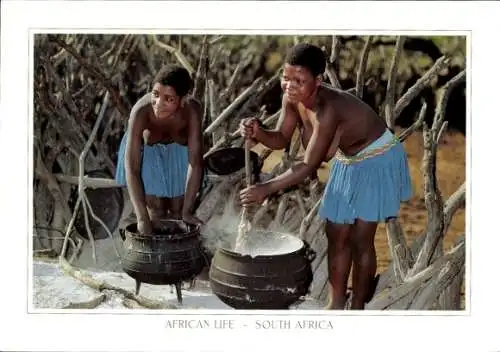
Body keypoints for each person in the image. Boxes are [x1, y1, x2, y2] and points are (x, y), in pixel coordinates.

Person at [239, 43, 413, 310]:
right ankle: (336, 303)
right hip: (349, 158)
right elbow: (281, 138)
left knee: (360, 238)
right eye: (285, 77)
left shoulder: (327, 109)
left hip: (378, 157)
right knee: (336, 232)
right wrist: (258, 132)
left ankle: (356, 308)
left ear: (318, 81)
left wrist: (266, 188)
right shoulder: (291, 99)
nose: (289, 85)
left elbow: (309, 166)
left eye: (299, 80)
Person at [115, 65, 204, 235]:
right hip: (146, 153)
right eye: (156, 95)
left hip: (178, 153)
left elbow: (195, 162)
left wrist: (186, 211)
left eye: (169, 99)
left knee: (177, 212)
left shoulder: (192, 111)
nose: (158, 104)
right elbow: (132, 167)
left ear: (183, 99)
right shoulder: (141, 111)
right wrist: (142, 219)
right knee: (155, 211)